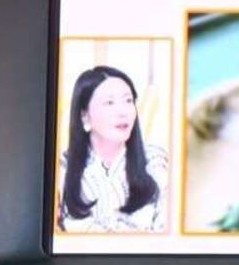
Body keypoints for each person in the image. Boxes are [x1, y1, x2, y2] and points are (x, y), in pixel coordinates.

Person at [58, 66, 168, 233]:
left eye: (128, 101)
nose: (123, 112)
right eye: (109, 103)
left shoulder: (155, 162)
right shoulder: (62, 168)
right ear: (84, 115)